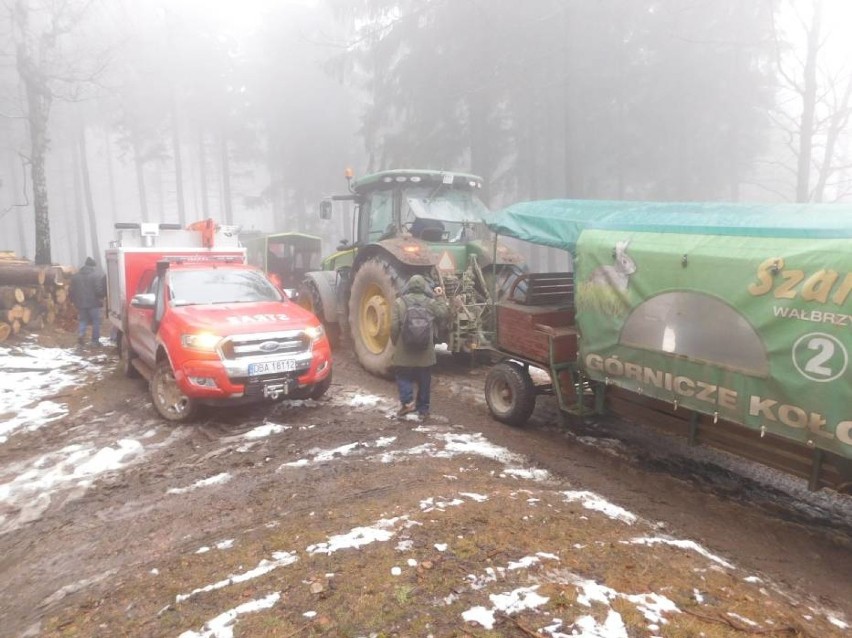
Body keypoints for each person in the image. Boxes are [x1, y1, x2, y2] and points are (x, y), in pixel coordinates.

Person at [390, 274, 449, 420]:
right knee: (424, 379)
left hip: (404, 349)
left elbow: (393, 326)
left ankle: (407, 402)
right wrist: (440, 297)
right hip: (425, 350)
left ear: (408, 286)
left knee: (403, 375)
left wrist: (396, 342)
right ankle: (423, 410)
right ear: (424, 287)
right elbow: (443, 314)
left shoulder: (399, 302)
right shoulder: (430, 303)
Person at [69, 256, 106, 347]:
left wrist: (74, 300)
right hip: (93, 303)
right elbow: (98, 290)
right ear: (93, 266)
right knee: (96, 321)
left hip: (81, 303)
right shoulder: (96, 276)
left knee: (83, 320)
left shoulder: (75, 276)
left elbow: (71, 290)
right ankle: (95, 341)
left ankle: (81, 335)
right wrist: (102, 296)